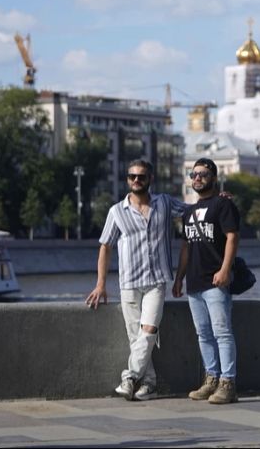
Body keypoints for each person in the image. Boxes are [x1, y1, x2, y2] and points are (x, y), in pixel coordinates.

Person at [85, 159, 189, 401]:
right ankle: (149, 384)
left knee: (149, 329)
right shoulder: (116, 212)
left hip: (157, 281)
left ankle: (129, 377)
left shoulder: (164, 203)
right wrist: (101, 284)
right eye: (132, 176)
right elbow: (105, 247)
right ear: (127, 180)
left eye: (141, 176)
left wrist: (216, 198)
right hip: (129, 283)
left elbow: (192, 211)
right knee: (138, 337)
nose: (136, 180)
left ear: (150, 178)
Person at [174, 158, 241, 405]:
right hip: (194, 282)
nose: (197, 178)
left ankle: (228, 383)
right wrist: (179, 277)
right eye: (193, 174)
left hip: (216, 281)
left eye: (203, 174)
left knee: (222, 332)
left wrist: (225, 270)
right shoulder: (188, 212)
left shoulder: (223, 205)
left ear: (213, 177)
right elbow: (185, 248)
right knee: (203, 334)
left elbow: (232, 238)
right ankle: (211, 379)